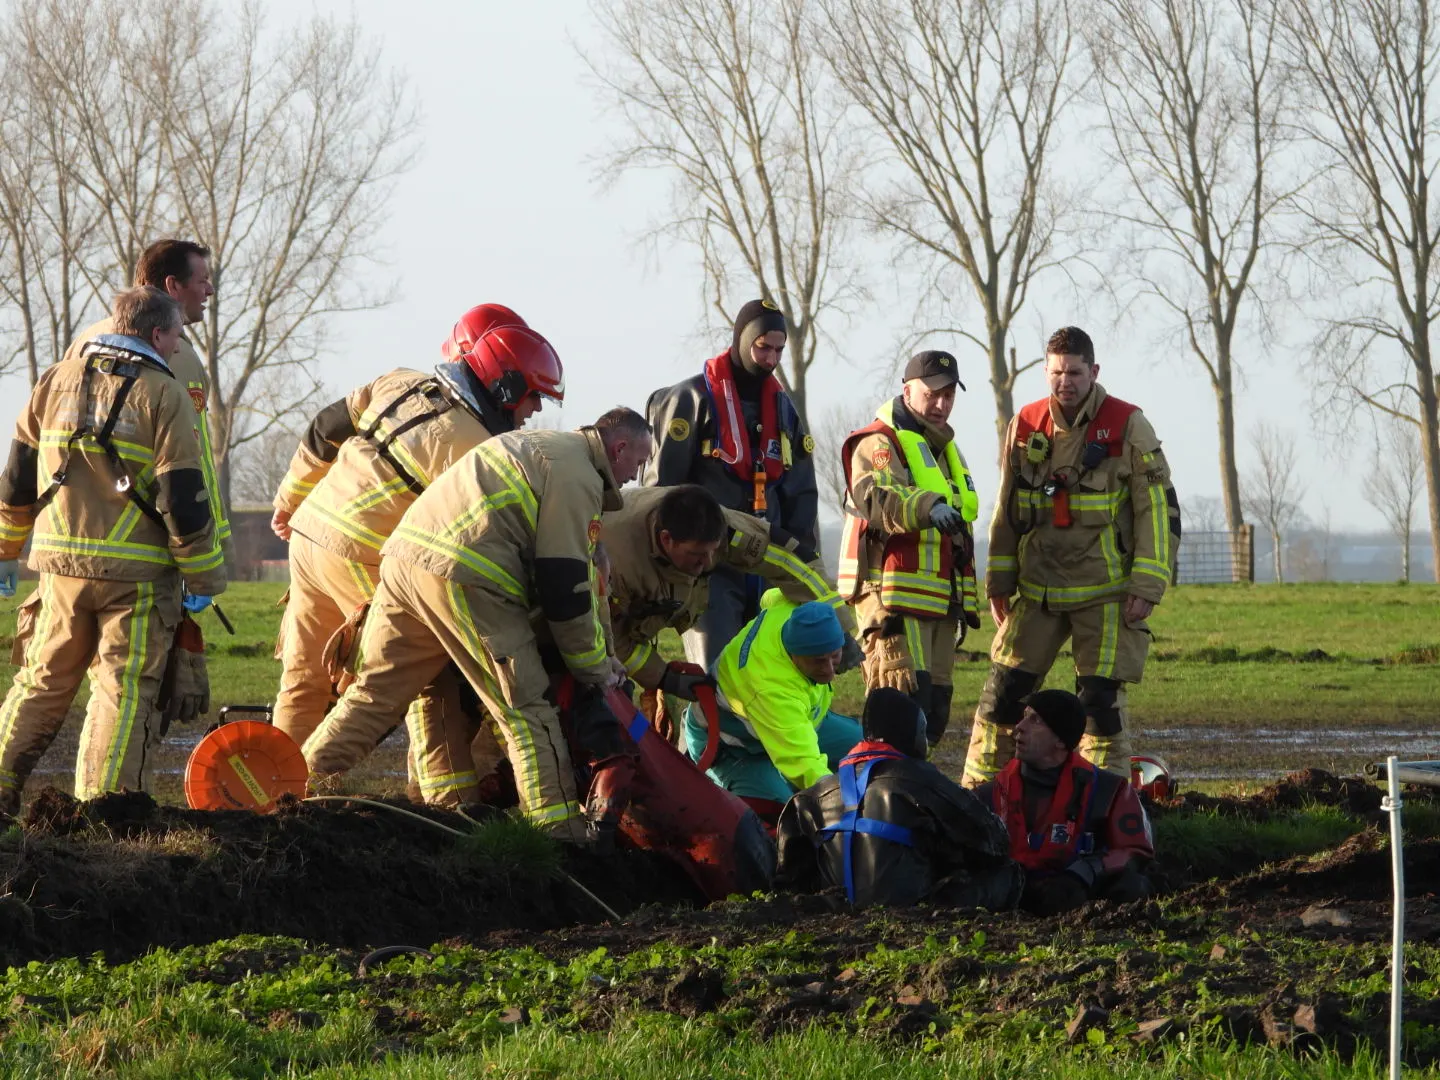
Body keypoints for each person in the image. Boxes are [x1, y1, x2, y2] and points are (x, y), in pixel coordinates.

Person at [301, 409, 653, 841]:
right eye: (638, 462)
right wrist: (595, 668)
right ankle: (559, 837)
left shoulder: (546, 448)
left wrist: (602, 653)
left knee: (375, 694)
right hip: (467, 574)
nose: (636, 477)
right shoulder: (577, 473)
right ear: (618, 448)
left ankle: (288, 789)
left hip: (405, 562)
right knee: (527, 709)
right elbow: (564, 585)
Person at [267, 304, 561, 797]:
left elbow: (324, 426)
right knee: (425, 677)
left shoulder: (400, 381)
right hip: (364, 557)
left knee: (303, 678)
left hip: (308, 537)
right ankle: (446, 803)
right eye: (533, 398)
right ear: (506, 387)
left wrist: (288, 500)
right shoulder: (480, 451)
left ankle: (265, 793)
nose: (533, 411)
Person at [0, 288, 226, 812]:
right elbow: (184, 498)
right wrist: (204, 578)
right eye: (175, 336)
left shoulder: (55, 379)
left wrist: (9, 546)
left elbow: (15, 479)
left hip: (58, 567)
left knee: (41, 679)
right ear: (155, 334)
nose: (177, 347)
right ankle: (106, 809)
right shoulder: (163, 394)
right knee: (124, 692)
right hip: (137, 576)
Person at [965, 326, 1181, 785]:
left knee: (1100, 708)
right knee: (1002, 699)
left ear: (1094, 372)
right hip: (1037, 591)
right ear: (1046, 371)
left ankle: (1102, 811)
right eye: (1057, 372)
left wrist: (1147, 586)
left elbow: (1157, 512)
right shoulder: (1024, 424)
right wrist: (999, 586)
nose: (1066, 381)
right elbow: (1006, 511)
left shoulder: (1127, 424)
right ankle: (980, 798)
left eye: (1075, 372)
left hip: (1105, 596)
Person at [641, 298, 819, 671]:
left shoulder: (784, 408)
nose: (770, 360)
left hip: (768, 569)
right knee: (717, 673)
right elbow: (658, 491)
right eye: (762, 348)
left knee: (768, 676)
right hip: (710, 568)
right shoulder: (691, 399)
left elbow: (801, 488)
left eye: (778, 351)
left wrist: (802, 559)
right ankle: (709, 731)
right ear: (741, 341)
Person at [603, 484, 860, 735]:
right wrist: (665, 678)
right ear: (666, 540)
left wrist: (838, 627)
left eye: (713, 552)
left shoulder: (726, 527)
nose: (707, 563)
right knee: (613, 706)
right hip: (587, 622)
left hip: (653, 599)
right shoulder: (618, 564)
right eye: (697, 555)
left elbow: (793, 562)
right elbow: (612, 641)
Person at [838, 350, 980, 746]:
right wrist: (928, 507)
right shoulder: (881, 442)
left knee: (932, 717)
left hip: (937, 604)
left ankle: (913, 798)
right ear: (906, 390)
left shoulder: (945, 450)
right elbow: (878, 497)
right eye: (932, 393)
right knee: (899, 706)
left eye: (949, 395)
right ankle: (881, 799)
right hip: (891, 603)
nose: (941, 404)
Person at [63, 240, 232, 569]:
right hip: (139, 547)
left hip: (71, 536)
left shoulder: (87, 339)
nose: (210, 290)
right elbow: (187, 462)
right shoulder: (174, 356)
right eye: (202, 280)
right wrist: (211, 546)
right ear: (173, 286)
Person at [776, 688, 1023, 909]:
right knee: (1008, 872)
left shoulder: (812, 795)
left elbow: (788, 873)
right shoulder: (920, 779)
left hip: (837, 909)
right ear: (916, 733)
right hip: (912, 911)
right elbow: (993, 840)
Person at [972, 689, 1154, 915]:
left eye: (1035, 720)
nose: (1019, 727)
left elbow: (1135, 852)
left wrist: (1084, 872)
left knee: (1132, 886)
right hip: (1010, 893)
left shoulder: (1110, 791)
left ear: (1060, 740)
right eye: (1024, 716)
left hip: (1079, 897)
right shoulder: (988, 795)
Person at [683, 594, 859, 818]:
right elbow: (803, 763)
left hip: (791, 723)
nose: (830, 670)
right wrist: (842, 805)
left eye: (834, 656)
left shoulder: (789, 609)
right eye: (818, 661)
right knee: (784, 812)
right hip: (731, 746)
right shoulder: (771, 689)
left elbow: (770, 597)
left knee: (865, 751)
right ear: (793, 655)